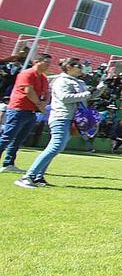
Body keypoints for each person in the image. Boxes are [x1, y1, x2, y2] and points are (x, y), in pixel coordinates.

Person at [14, 58, 105, 188]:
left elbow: (89, 96)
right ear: (69, 67)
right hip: (61, 117)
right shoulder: (62, 81)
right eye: (78, 66)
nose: (81, 68)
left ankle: (38, 177)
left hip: (72, 118)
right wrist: (88, 93)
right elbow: (65, 98)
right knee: (55, 147)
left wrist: (100, 88)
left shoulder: (79, 82)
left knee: (56, 147)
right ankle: (28, 176)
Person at [0, 54, 51, 173]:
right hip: (18, 109)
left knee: (18, 139)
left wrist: (43, 103)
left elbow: (46, 93)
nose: (48, 65)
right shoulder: (27, 74)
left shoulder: (43, 77)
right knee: (7, 137)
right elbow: (29, 91)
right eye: (46, 62)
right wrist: (40, 104)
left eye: (49, 62)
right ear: (36, 62)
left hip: (31, 111)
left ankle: (8, 163)